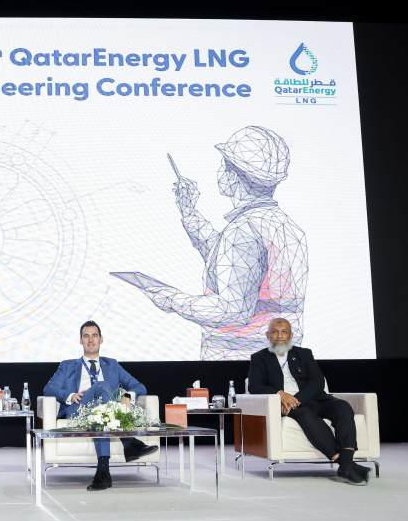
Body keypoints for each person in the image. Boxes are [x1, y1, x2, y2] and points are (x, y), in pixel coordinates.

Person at [119, 126, 308, 360]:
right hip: (279, 361)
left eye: (223, 165)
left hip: (237, 359)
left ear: (235, 175)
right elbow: (228, 260)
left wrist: (172, 299)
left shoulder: (243, 230)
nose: (220, 171)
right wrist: (189, 212)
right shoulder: (287, 228)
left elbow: (232, 310)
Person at [247, 318, 370, 485]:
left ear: (291, 335)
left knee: (342, 407)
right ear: (268, 335)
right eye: (275, 332)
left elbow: (317, 382)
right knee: (305, 414)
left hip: (312, 399)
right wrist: (280, 395)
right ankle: (346, 465)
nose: (280, 336)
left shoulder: (304, 353)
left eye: (284, 332)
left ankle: (346, 463)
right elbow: (254, 386)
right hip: (286, 406)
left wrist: (296, 400)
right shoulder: (259, 358)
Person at [43, 320, 158, 491]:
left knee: (100, 412)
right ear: (80, 340)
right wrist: (70, 395)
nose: (90, 340)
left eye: (94, 335)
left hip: (101, 412)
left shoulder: (112, 365)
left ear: (101, 339)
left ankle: (103, 473)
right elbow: (49, 388)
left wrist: (128, 396)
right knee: (102, 386)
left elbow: (139, 386)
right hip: (77, 409)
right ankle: (129, 442)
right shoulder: (67, 365)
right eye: (86, 336)